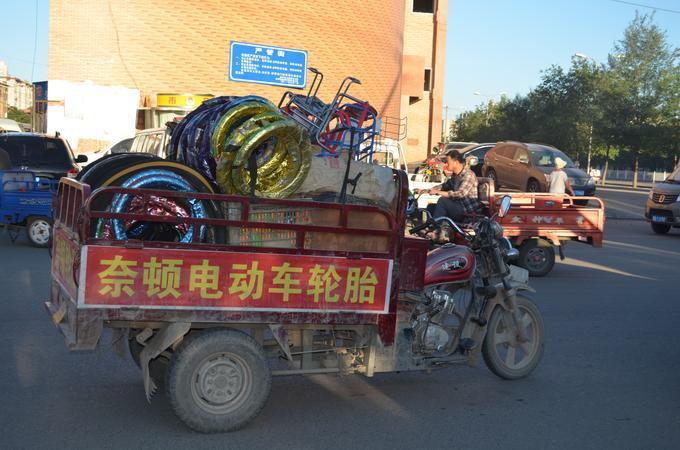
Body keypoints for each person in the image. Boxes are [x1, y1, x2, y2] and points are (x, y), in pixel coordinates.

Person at [415, 149, 480, 222]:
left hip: (466, 210)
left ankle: (436, 230)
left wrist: (438, 192)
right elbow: (443, 186)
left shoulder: (468, 175)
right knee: (431, 207)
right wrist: (424, 191)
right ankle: (430, 228)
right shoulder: (455, 176)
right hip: (457, 206)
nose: (445, 164)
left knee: (443, 201)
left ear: (455, 162)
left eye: (447, 162)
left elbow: (460, 194)